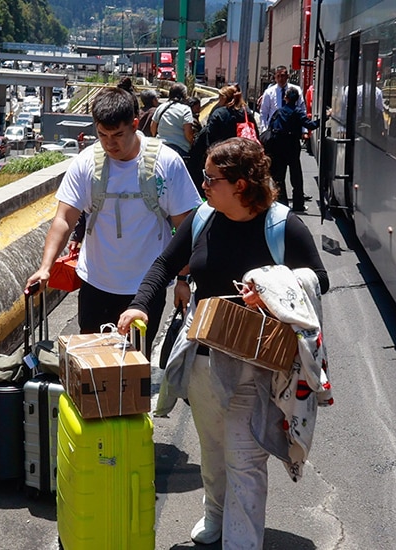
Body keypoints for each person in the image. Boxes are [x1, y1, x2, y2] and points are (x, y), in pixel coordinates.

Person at [117, 138, 329, 548]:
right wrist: (140, 305)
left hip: (255, 363)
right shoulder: (202, 218)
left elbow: (319, 278)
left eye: (211, 179)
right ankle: (215, 512)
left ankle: (241, 542)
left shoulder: (284, 226)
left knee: (245, 461)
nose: (203, 185)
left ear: (241, 186)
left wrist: (272, 287)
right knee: (213, 452)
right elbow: (164, 263)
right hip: (203, 357)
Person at [25, 87, 203, 347]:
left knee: (134, 367)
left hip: (146, 286)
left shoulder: (166, 162)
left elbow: (185, 226)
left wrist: (183, 280)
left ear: (134, 124)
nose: (110, 143)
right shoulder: (86, 163)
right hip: (96, 282)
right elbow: (64, 219)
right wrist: (45, 268)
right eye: (102, 135)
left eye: (118, 135)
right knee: (91, 368)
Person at [268, 87, 319, 211]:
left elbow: (271, 127)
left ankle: (282, 203)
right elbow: (310, 125)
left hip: (279, 147)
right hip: (293, 146)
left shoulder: (279, 112)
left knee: (279, 176)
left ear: (286, 98)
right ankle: (298, 204)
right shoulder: (298, 112)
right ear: (296, 100)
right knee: (296, 176)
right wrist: (324, 118)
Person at [151, 83, 196, 162]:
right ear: (184, 95)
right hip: (180, 150)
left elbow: (153, 128)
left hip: (161, 148)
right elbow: (188, 133)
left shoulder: (161, 107)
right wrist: (192, 142)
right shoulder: (186, 109)